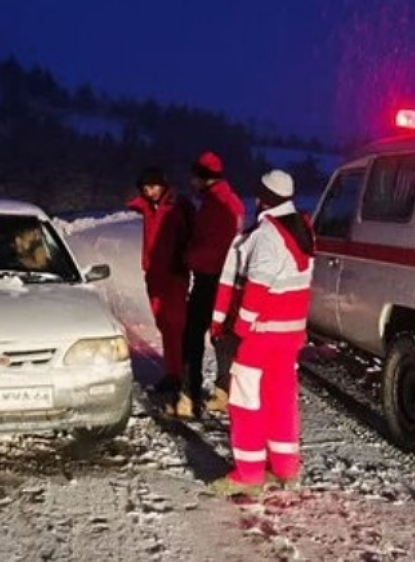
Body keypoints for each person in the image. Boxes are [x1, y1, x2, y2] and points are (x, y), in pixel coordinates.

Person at [209, 169, 314, 495]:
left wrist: (238, 330)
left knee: (245, 401)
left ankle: (249, 472)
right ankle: (284, 467)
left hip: (260, 336)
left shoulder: (268, 234)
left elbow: (257, 288)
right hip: (288, 336)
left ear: (263, 198)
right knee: (280, 400)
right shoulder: (303, 228)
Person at [169, 151, 244, 418]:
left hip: (210, 278)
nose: (191, 183)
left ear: (202, 177)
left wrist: (185, 256)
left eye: (194, 178)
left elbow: (209, 250)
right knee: (222, 336)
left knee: (192, 337)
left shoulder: (214, 206)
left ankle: (189, 397)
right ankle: (224, 390)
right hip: (230, 280)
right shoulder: (233, 201)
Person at [126, 166, 193, 395]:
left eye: (153, 187)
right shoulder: (149, 207)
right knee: (164, 325)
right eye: (145, 188)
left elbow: (192, 235)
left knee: (175, 326)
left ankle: (179, 375)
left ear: (164, 185)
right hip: (154, 274)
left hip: (173, 275)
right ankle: (173, 372)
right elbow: (130, 202)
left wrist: (183, 262)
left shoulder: (177, 207)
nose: (149, 192)